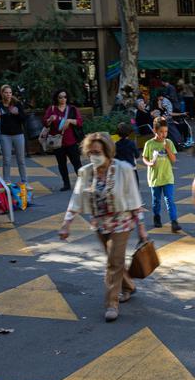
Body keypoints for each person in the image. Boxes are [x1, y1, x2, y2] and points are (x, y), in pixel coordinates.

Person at [59, 132, 147, 323]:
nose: (94, 156)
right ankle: (129, 286)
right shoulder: (86, 172)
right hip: (99, 223)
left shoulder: (123, 169)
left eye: (97, 152)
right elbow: (76, 198)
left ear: (107, 151)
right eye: (90, 152)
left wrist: (141, 226)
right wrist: (67, 223)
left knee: (113, 263)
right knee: (115, 260)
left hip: (122, 222)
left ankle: (111, 304)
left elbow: (134, 198)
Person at [143, 116, 180, 233]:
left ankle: (174, 222)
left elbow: (173, 159)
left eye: (166, 132)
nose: (164, 134)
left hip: (167, 177)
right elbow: (144, 158)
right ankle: (157, 217)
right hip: (155, 178)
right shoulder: (149, 144)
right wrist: (149, 163)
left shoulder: (169, 142)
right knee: (156, 200)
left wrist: (167, 149)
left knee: (170, 200)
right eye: (161, 132)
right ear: (155, 130)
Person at [43, 88, 84, 191]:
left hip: (71, 141)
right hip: (57, 142)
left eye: (65, 97)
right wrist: (49, 120)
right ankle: (66, 184)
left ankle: (82, 183)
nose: (63, 99)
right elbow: (44, 123)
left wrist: (70, 120)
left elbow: (79, 122)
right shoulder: (52, 109)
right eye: (60, 97)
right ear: (57, 98)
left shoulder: (72, 109)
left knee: (77, 163)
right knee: (62, 164)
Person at [0, 84, 29, 185]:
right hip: (5, 135)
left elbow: (24, 118)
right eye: (6, 92)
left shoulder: (17, 104)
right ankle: (7, 181)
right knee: (6, 160)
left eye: (10, 93)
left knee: (21, 160)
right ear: (1, 93)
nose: (8, 95)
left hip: (18, 134)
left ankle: (24, 181)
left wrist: (17, 114)